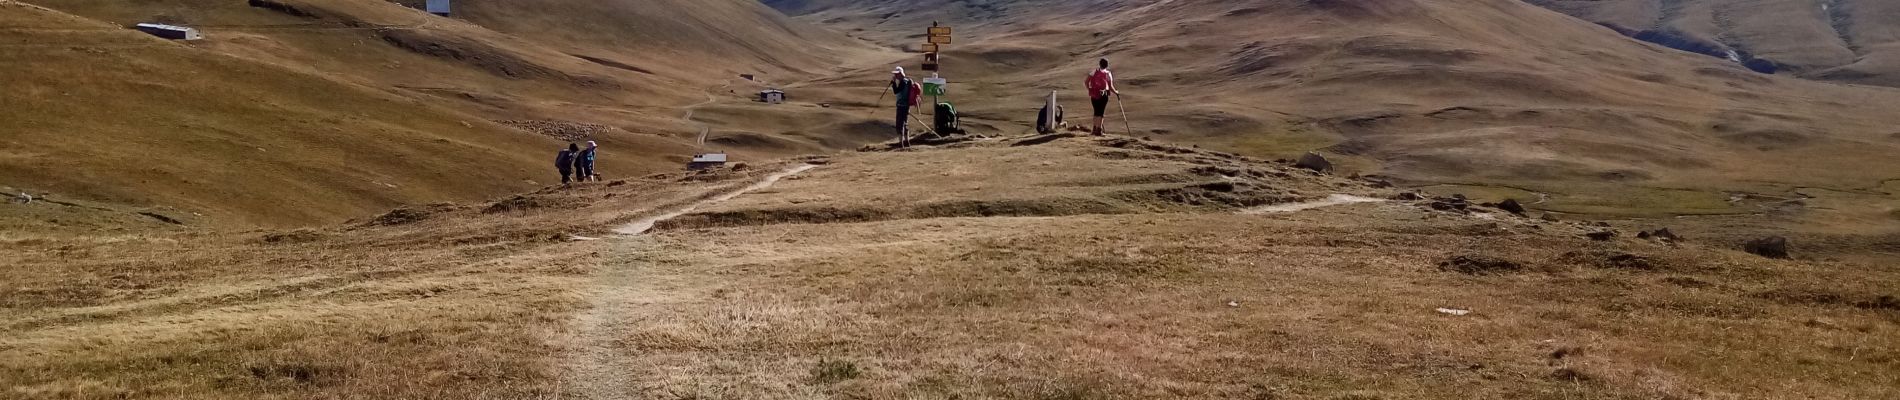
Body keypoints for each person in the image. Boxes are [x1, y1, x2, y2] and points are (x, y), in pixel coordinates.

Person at [1085, 58, 1119, 136]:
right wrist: (1116, 92)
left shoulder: (1094, 72)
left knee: (1096, 111)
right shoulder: (1108, 73)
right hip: (1103, 94)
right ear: (1107, 65)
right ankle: (1099, 130)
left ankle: (1094, 129)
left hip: (1093, 94)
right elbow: (1110, 87)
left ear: (1099, 64)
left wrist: (1090, 89)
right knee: (1101, 112)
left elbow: (1086, 81)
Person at [890, 67, 915, 143]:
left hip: (901, 106)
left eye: (896, 74)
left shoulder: (903, 82)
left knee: (899, 124)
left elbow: (896, 91)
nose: (895, 76)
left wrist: (893, 83)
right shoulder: (907, 81)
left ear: (900, 74)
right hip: (906, 105)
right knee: (905, 123)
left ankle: (901, 143)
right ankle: (907, 141)